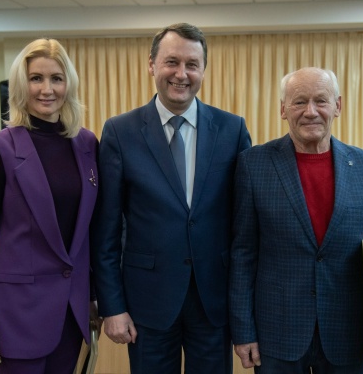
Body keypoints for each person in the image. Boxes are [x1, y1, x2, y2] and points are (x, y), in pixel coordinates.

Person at [91, 22, 251, 374]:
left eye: (192, 64)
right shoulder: (120, 131)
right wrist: (112, 306)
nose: (181, 74)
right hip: (147, 301)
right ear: (152, 65)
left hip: (213, 301)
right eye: (172, 62)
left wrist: (245, 309)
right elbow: (105, 231)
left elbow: (244, 226)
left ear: (203, 70)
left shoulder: (232, 129)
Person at [229, 67, 363, 373]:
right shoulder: (253, 164)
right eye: (299, 102)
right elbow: (243, 254)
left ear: (338, 105)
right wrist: (243, 330)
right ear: (283, 109)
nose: (310, 111)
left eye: (321, 100)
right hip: (276, 334)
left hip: (349, 334)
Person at [0, 38, 100, 373]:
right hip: (16, 312)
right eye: (36, 78)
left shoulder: (87, 144)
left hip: (71, 311)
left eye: (56, 78)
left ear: (69, 84)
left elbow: (93, 231)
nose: (47, 89)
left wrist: (96, 295)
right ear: (20, 85)